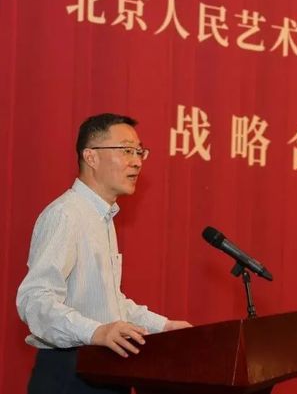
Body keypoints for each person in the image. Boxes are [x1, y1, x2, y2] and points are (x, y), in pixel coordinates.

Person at [16, 113, 192, 394]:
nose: (137, 161)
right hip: (70, 375)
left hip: (104, 371)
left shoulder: (102, 217)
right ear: (91, 157)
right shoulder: (66, 215)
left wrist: (164, 327)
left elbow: (109, 304)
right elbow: (35, 301)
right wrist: (96, 332)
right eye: (126, 151)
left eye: (139, 152)